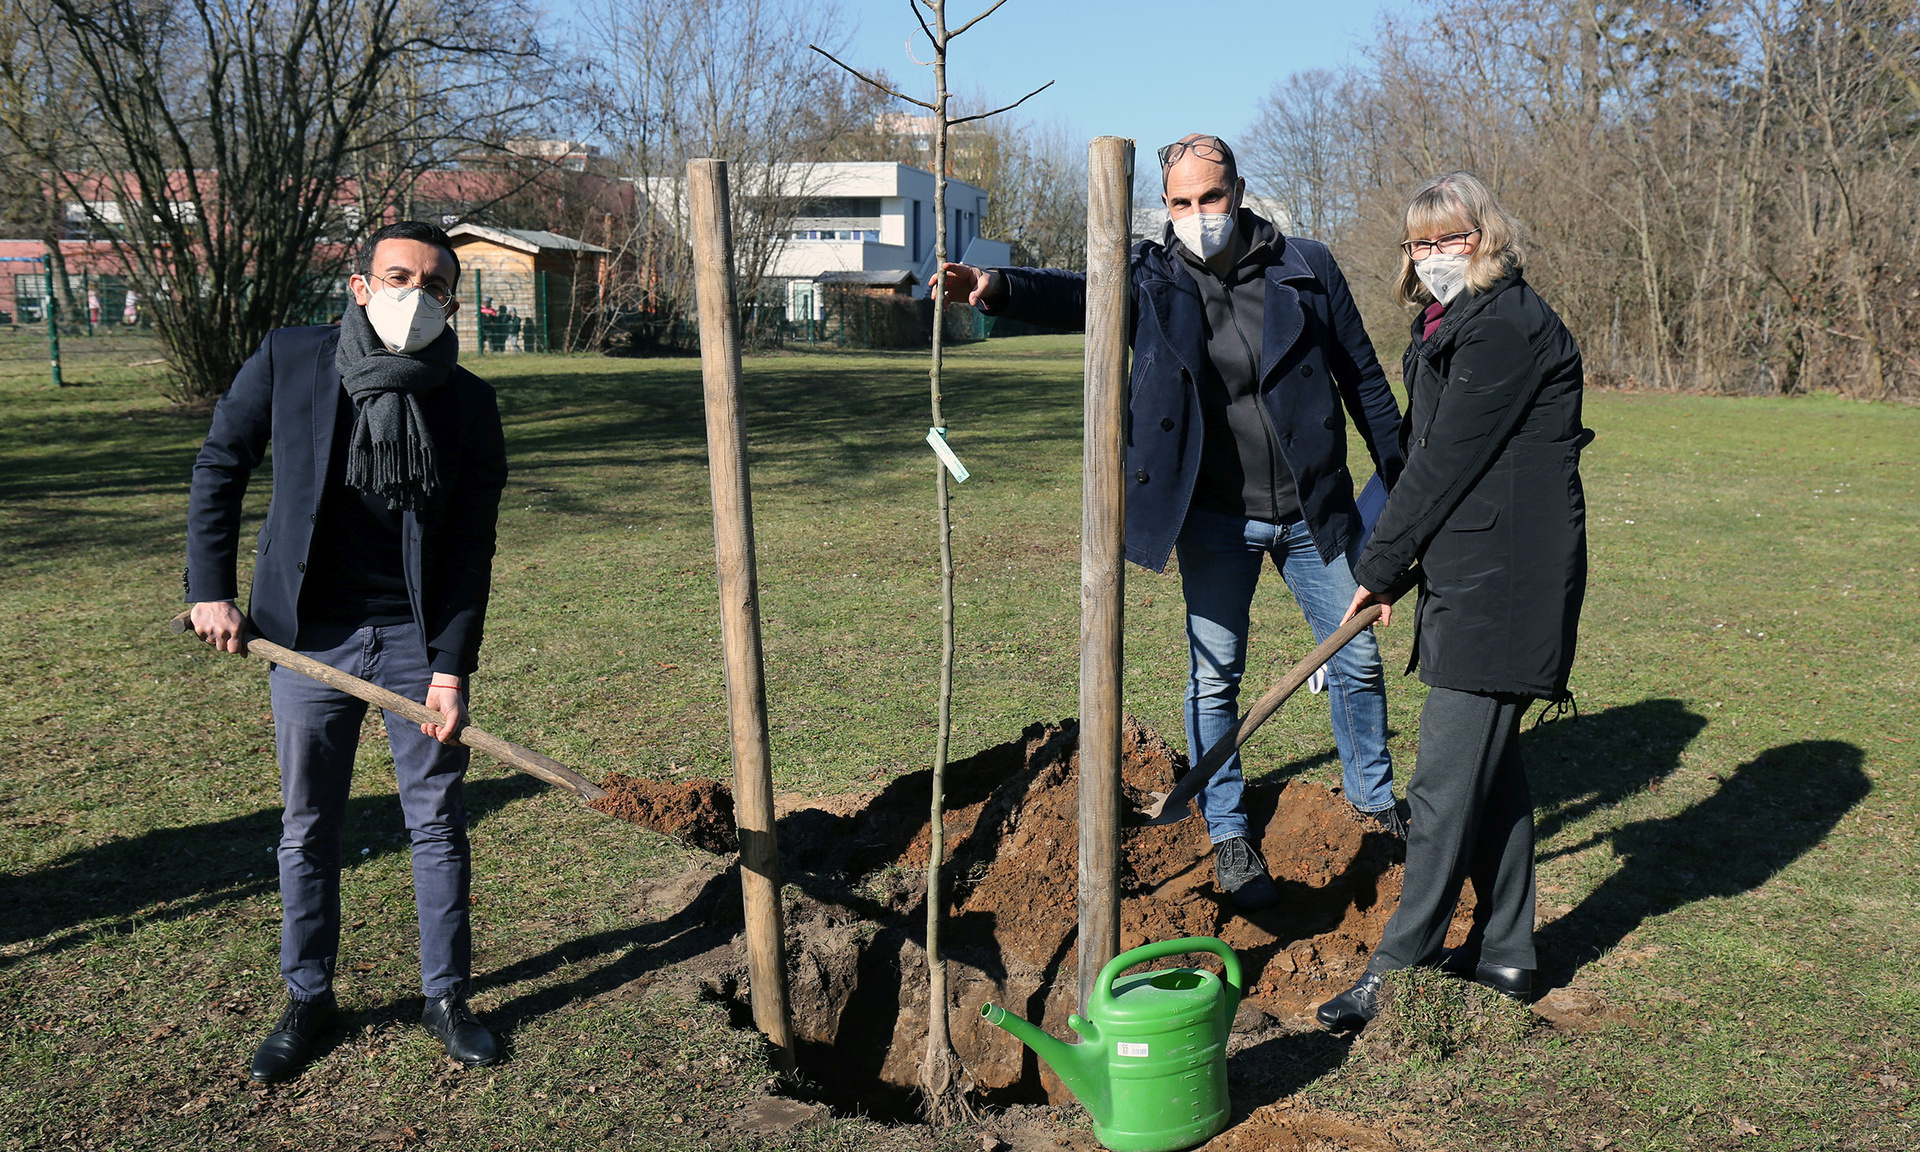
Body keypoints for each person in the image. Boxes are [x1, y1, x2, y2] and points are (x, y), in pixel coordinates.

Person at [939, 134, 1406, 912]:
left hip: (1314, 515)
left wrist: (1404, 495)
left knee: (1355, 662)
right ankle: (1227, 831)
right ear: (1166, 206)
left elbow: (1365, 383)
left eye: (1211, 198)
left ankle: (1374, 802)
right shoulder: (1151, 278)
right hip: (1215, 521)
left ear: (1240, 191)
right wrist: (991, 284)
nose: (1198, 215)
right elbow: (1072, 292)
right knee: (1213, 677)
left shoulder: (1307, 268)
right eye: (1181, 203)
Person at [184, 220, 510, 1082]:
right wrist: (208, 589)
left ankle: (447, 996)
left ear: (452, 303)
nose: (415, 296)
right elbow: (222, 462)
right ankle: (307, 996)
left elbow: (471, 545)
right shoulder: (292, 359)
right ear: (361, 286)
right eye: (397, 276)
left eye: (434, 286)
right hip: (304, 639)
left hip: (412, 638)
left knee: (437, 823)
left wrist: (451, 665)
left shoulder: (468, 402)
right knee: (308, 826)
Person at [1316, 172, 1590, 1029]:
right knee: (1493, 780)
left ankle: (1397, 967)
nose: (1436, 256)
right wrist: (1394, 556)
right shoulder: (1452, 324)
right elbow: (1424, 456)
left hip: (1505, 581)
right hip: (1475, 567)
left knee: (1439, 785)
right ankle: (1509, 951)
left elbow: (1443, 464)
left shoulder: (1504, 326)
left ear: (1487, 237)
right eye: (1421, 243)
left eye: (1452, 238)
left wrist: (1384, 564)